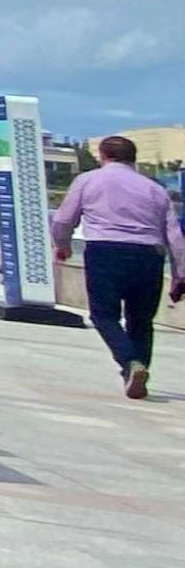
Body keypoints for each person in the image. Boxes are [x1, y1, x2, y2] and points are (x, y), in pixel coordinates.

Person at [50, 134, 185, 399]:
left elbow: (63, 220)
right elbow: (175, 237)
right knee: (141, 320)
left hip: (105, 251)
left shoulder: (88, 180)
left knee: (103, 315)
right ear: (133, 158)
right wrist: (180, 274)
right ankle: (136, 371)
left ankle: (130, 363)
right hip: (149, 255)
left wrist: (62, 245)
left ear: (103, 156)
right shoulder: (155, 189)